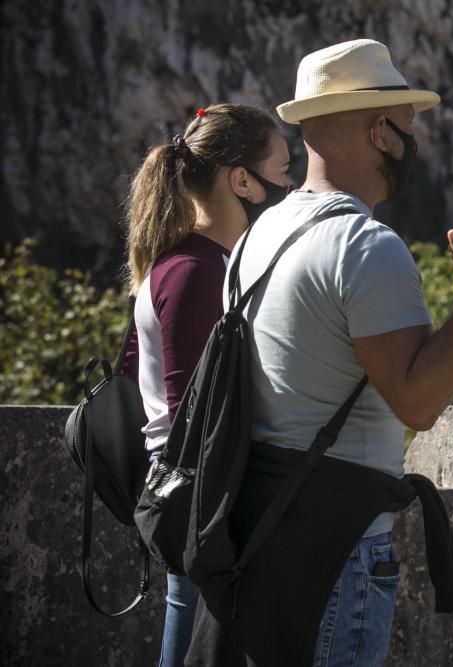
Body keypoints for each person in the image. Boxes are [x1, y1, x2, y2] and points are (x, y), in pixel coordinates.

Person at [184, 39, 453, 666]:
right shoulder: (365, 244)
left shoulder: (260, 233)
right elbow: (418, 401)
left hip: (262, 529)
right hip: (340, 552)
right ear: (381, 131)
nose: (414, 142)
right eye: (408, 127)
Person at [123, 103, 290, 666]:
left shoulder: (200, 262)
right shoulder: (197, 272)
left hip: (199, 498)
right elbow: (194, 415)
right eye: (284, 171)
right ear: (241, 180)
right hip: (202, 501)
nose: (290, 185)